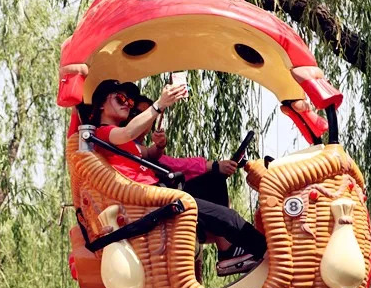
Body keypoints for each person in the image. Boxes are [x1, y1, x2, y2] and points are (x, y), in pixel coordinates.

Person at [88, 79, 267, 275]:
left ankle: (228, 254)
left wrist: (158, 146)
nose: (126, 104)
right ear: (101, 104)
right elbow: (128, 131)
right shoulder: (105, 133)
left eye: (130, 102)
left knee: (213, 180)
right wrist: (159, 105)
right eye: (121, 98)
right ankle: (270, 254)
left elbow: (150, 155)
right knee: (228, 217)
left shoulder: (124, 142)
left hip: (160, 193)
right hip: (153, 202)